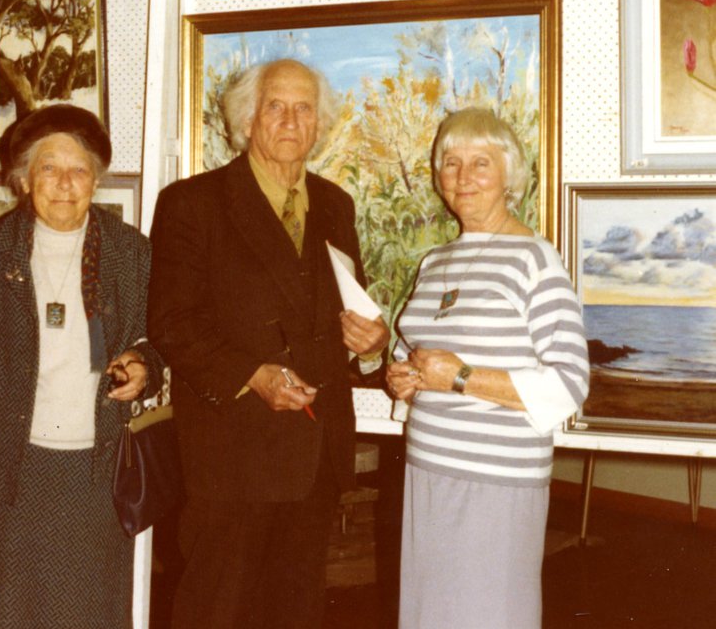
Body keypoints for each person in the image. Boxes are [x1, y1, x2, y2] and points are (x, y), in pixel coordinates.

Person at [147, 58, 389, 629]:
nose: (290, 119)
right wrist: (253, 375)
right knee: (217, 610)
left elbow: (350, 312)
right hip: (234, 457)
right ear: (247, 119)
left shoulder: (335, 205)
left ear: (319, 123)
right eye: (275, 106)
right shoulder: (193, 204)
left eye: (304, 108)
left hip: (315, 455)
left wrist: (373, 343)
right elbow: (172, 323)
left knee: (295, 612)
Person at [0, 104, 164, 629]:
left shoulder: (131, 254)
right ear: (23, 179)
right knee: (9, 612)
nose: (64, 183)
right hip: (10, 473)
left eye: (78, 169)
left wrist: (145, 364)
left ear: (96, 180)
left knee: (90, 613)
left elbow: (161, 343)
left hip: (97, 470)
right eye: (49, 168)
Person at [386, 107, 589, 629]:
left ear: (510, 175)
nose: (463, 176)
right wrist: (404, 378)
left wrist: (458, 378)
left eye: (481, 162)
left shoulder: (534, 259)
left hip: (496, 481)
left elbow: (569, 383)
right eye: (450, 163)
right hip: (427, 469)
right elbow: (415, 355)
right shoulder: (435, 262)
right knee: (429, 616)